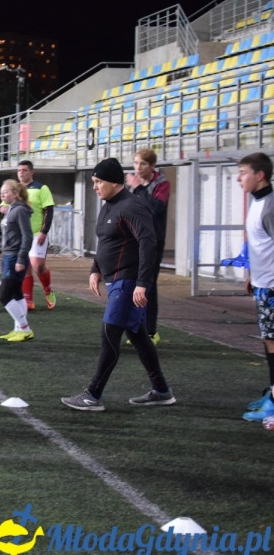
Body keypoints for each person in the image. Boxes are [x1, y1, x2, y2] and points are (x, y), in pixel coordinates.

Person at [61, 158, 175, 412]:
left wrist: (143, 283)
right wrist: (96, 269)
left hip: (128, 282)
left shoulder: (132, 206)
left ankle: (93, 395)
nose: (94, 187)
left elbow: (148, 242)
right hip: (115, 280)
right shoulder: (109, 205)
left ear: (114, 182)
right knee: (137, 336)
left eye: (98, 182)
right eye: (93, 182)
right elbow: (105, 241)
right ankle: (162, 390)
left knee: (109, 334)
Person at [236, 153, 274, 423]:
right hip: (263, 285)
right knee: (268, 341)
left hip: (272, 288)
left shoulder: (271, 206)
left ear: (259, 175)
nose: (239, 178)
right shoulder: (257, 202)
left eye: (243, 172)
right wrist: (252, 274)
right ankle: (272, 394)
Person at [128, 147, 170, 344]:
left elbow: (155, 208)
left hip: (152, 242)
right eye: (136, 163)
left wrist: (137, 189)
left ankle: (151, 332)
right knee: (132, 284)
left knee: (148, 286)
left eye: (143, 164)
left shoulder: (162, 184)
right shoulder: (132, 185)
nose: (138, 167)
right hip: (133, 240)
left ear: (153, 166)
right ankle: (136, 328)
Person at [0, 180, 34, 342]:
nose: (2, 194)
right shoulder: (11, 209)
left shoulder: (19, 211)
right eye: (1, 192)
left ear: (15, 194)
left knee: (4, 296)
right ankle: (18, 328)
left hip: (14, 257)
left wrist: (20, 258)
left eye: (6, 192)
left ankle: (25, 328)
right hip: (8, 256)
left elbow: (27, 236)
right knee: (17, 293)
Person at [17, 160, 57, 310]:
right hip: (21, 235)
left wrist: (44, 231)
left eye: (25, 170)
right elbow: (5, 205)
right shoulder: (15, 189)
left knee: (38, 265)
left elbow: (49, 210)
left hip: (36, 234)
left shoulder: (41, 188)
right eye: (19, 170)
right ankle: (28, 299)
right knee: (25, 266)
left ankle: (48, 290)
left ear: (31, 172)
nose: (21, 173)